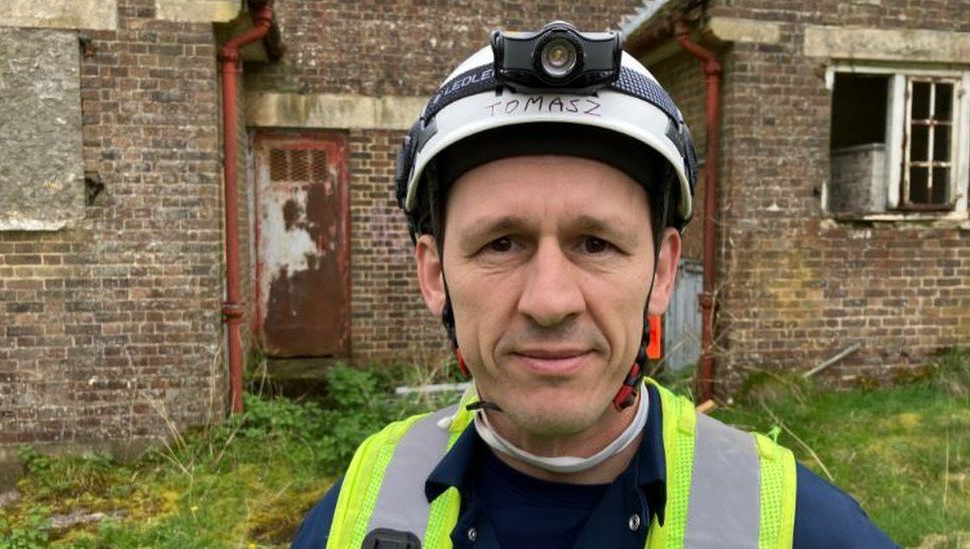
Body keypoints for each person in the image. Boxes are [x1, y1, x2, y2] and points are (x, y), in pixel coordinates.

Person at [293, 21, 897, 549]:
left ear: (661, 272)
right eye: (502, 243)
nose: (551, 301)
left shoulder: (796, 526)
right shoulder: (357, 510)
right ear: (435, 275)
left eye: (595, 243)